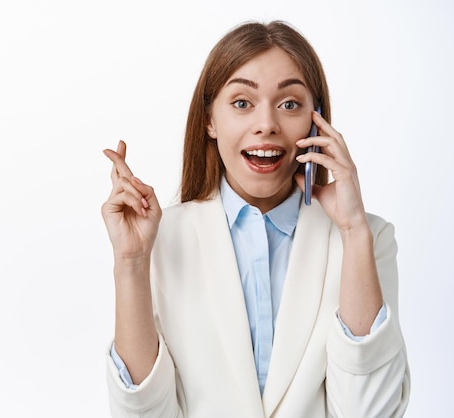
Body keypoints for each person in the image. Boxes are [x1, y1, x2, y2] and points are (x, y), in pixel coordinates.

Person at [101, 20, 410, 417]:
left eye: (289, 104)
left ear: (318, 121)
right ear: (209, 120)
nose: (266, 124)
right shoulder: (159, 240)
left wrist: (353, 233)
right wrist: (130, 263)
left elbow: (370, 412)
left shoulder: (367, 239)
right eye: (242, 103)